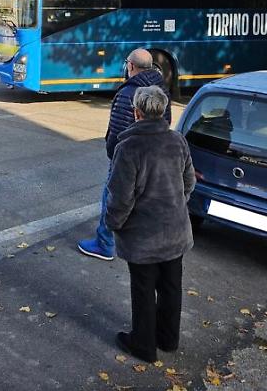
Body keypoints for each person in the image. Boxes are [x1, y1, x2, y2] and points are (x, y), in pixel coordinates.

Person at [106, 86, 195, 363]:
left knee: (143, 289)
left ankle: (143, 345)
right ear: (163, 111)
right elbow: (189, 182)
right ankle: (168, 339)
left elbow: (121, 198)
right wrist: (175, 206)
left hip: (143, 238)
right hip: (176, 232)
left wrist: (114, 224)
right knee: (171, 286)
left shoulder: (129, 148)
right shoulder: (177, 141)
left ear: (137, 112)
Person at [77, 48, 171, 260]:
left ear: (130, 66)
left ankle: (104, 244)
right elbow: (166, 122)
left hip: (127, 157)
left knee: (112, 198)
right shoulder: (161, 89)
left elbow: (117, 133)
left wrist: (113, 156)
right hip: (153, 156)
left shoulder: (128, 92)